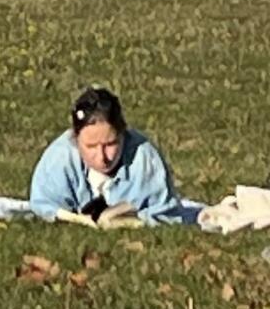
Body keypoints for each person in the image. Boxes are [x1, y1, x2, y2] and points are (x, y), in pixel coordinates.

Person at [29, 87, 177, 221]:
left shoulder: (144, 159)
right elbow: (44, 206)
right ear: (75, 139)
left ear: (122, 134)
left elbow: (164, 213)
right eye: (91, 146)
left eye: (110, 144)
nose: (102, 157)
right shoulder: (59, 158)